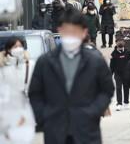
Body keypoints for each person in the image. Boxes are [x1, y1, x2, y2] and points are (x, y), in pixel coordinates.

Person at [29, 8, 114, 144]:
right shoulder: (45, 62)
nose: (70, 36)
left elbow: (107, 90)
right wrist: (44, 117)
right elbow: (35, 93)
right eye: (67, 32)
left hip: (87, 131)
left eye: (75, 32)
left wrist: (93, 111)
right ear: (60, 30)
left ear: (84, 32)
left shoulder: (95, 61)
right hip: (55, 130)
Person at [110, 39, 130, 111]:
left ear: (123, 47)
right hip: (117, 74)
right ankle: (119, 103)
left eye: (121, 48)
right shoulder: (113, 54)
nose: (120, 49)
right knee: (118, 88)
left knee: (126, 88)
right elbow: (112, 65)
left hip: (126, 73)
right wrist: (110, 74)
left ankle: (126, 102)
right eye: (119, 48)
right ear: (117, 47)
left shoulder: (127, 52)